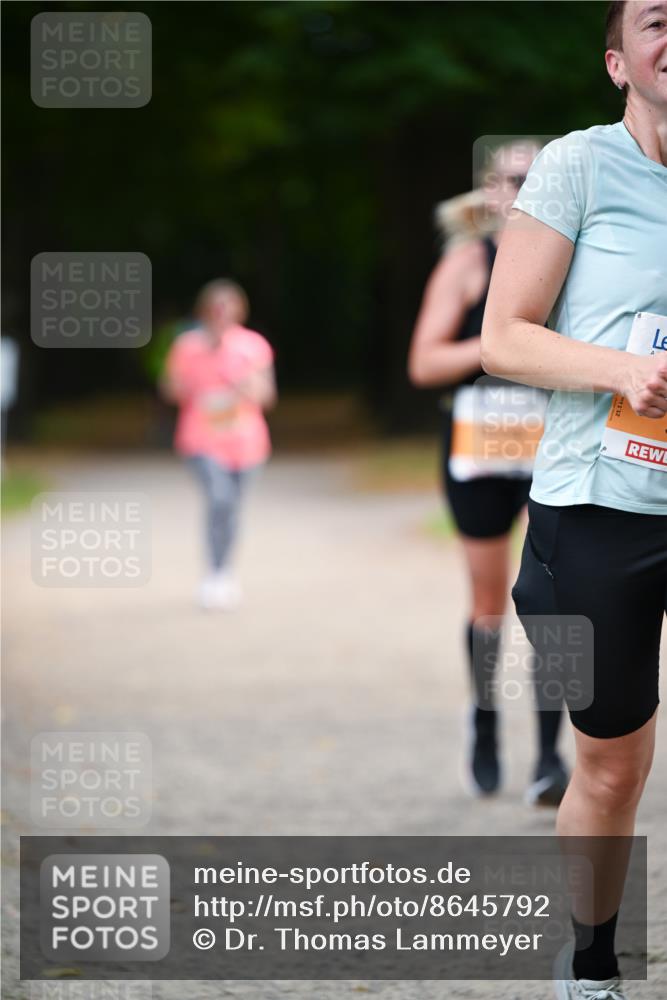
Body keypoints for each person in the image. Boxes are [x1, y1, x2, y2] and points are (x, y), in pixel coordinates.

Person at [481, 2, 667, 997]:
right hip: (597, 509)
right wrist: (619, 371)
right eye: (658, 20)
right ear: (617, 61)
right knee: (610, 765)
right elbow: (502, 337)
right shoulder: (578, 166)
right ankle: (590, 968)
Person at [408, 141, 569, 806]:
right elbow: (423, 364)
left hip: (549, 450)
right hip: (478, 453)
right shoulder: (467, 263)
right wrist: (501, 341)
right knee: (487, 605)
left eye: (537, 177)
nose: (525, 189)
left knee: (553, 600)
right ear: (491, 189)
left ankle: (550, 756)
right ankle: (483, 724)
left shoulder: (570, 259)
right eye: (513, 178)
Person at [162, 279, 277, 609]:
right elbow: (170, 390)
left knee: (232, 508)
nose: (221, 315)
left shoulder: (252, 346)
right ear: (204, 311)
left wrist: (245, 385)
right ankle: (214, 571)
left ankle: (224, 571)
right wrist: (187, 383)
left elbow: (267, 395)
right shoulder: (187, 346)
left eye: (228, 309)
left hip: (246, 441)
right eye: (215, 309)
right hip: (201, 439)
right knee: (219, 498)